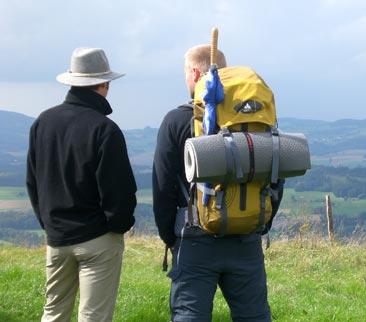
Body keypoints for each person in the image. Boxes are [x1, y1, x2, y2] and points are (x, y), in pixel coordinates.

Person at [153, 44, 280, 322]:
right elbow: (275, 176)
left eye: (186, 72)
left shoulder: (176, 120)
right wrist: (258, 222)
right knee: (254, 316)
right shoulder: (255, 121)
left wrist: (170, 236)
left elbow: (162, 186)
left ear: (196, 73)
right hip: (246, 235)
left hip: (194, 237)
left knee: (190, 315)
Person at [26, 47, 137, 322]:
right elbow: (119, 191)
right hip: (98, 239)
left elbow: (33, 182)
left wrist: (50, 223)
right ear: (104, 83)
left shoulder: (43, 123)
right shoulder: (104, 129)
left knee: (53, 313)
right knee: (94, 317)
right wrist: (117, 226)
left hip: (57, 236)